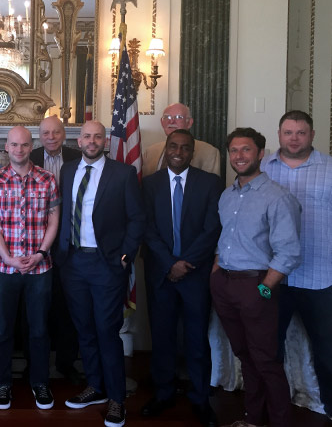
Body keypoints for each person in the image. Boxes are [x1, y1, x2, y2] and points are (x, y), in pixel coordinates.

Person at [55, 120, 145, 427]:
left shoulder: (123, 173)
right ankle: (95, 387)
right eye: (87, 136)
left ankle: (117, 399)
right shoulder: (67, 171)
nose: (92, 141)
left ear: (105, 141)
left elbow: (136, 218)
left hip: (106, 265)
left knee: (108, 332)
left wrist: (124, 256)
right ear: (78, 141)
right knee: (85, 330)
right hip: (73, 264)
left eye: (97, 136)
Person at [211, 127, 301, 427]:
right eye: (234, 150)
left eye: (246, 149)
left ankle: (280, 422)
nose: (239, 156)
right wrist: (216, 274)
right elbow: (224, 239)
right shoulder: (226, 196)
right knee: (244, 356)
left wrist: (264, 288)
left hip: (256, 286)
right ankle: (253, 419)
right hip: (224, 284)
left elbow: (288, 252)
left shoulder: (277, 197)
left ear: (261, 154)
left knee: (265, 360)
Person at [141, 129, 221, 427]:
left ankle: (200, 399)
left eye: (184, 148)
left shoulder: (210, 183)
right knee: (162, 338)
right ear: (166, 149)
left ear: (192, 152)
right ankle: (163, 393)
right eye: (173, 146)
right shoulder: (150, 184)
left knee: (197, 339)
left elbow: (212, 228)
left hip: (195, 275)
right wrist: (170, 263)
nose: (178, 151)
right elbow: (147, 228)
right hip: (162, 273)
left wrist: (185, 263)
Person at [0, 126, 60, 410]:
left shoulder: (48, 180)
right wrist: (10, 258)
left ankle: (40, 382)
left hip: (40, 268)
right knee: (2, 328)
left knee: (39, 329)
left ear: (31, 146)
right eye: (14, 145)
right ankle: (2, 383)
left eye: (24, 145)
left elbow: (54, 221)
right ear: (7, 147)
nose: (19, 150)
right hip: (3, 268)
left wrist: (40, 253)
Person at [262, 110, 332, 419]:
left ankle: (330, 407)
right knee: (269, 348)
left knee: (327, 351)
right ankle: (269, 409)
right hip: (274, 277)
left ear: (312, 135)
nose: (294, 138)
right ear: (279, 135)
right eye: (288, 132)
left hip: (320, 276)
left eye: (301, 132)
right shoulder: (263, 167)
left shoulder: (330, 168)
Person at [29, 115, 82, 384]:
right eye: (46, 133)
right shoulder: (28, 156)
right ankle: (34, 362)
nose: (51, 137)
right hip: (34, 243)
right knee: (36, 306)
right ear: (39, 136)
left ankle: (65, 363)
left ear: (64, 134)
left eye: (56, 132)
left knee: (66, 306)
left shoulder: (78, 156)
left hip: (69, 243)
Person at [142, 103, 220, 177]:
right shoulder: (150, 152)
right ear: (162, 122)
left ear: (189, 122)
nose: (171, 121)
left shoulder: (209, 153)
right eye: (167, 117)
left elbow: (211, 187)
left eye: (178, 117)